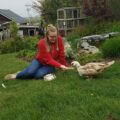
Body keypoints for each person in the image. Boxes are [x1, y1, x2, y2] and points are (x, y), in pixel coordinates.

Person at [5, 24, 73, 80]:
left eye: (55, 36)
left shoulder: (59, 39)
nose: (54, 38)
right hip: (39, 61)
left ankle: (26, 72)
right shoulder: (42, 43)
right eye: (51, 37)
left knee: (38, 76)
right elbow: (49, 59)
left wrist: (65, 66)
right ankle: (16, 75)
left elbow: (61, 54)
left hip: (50, 65)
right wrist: (60, 65)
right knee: (30, 72)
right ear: (47, 35)